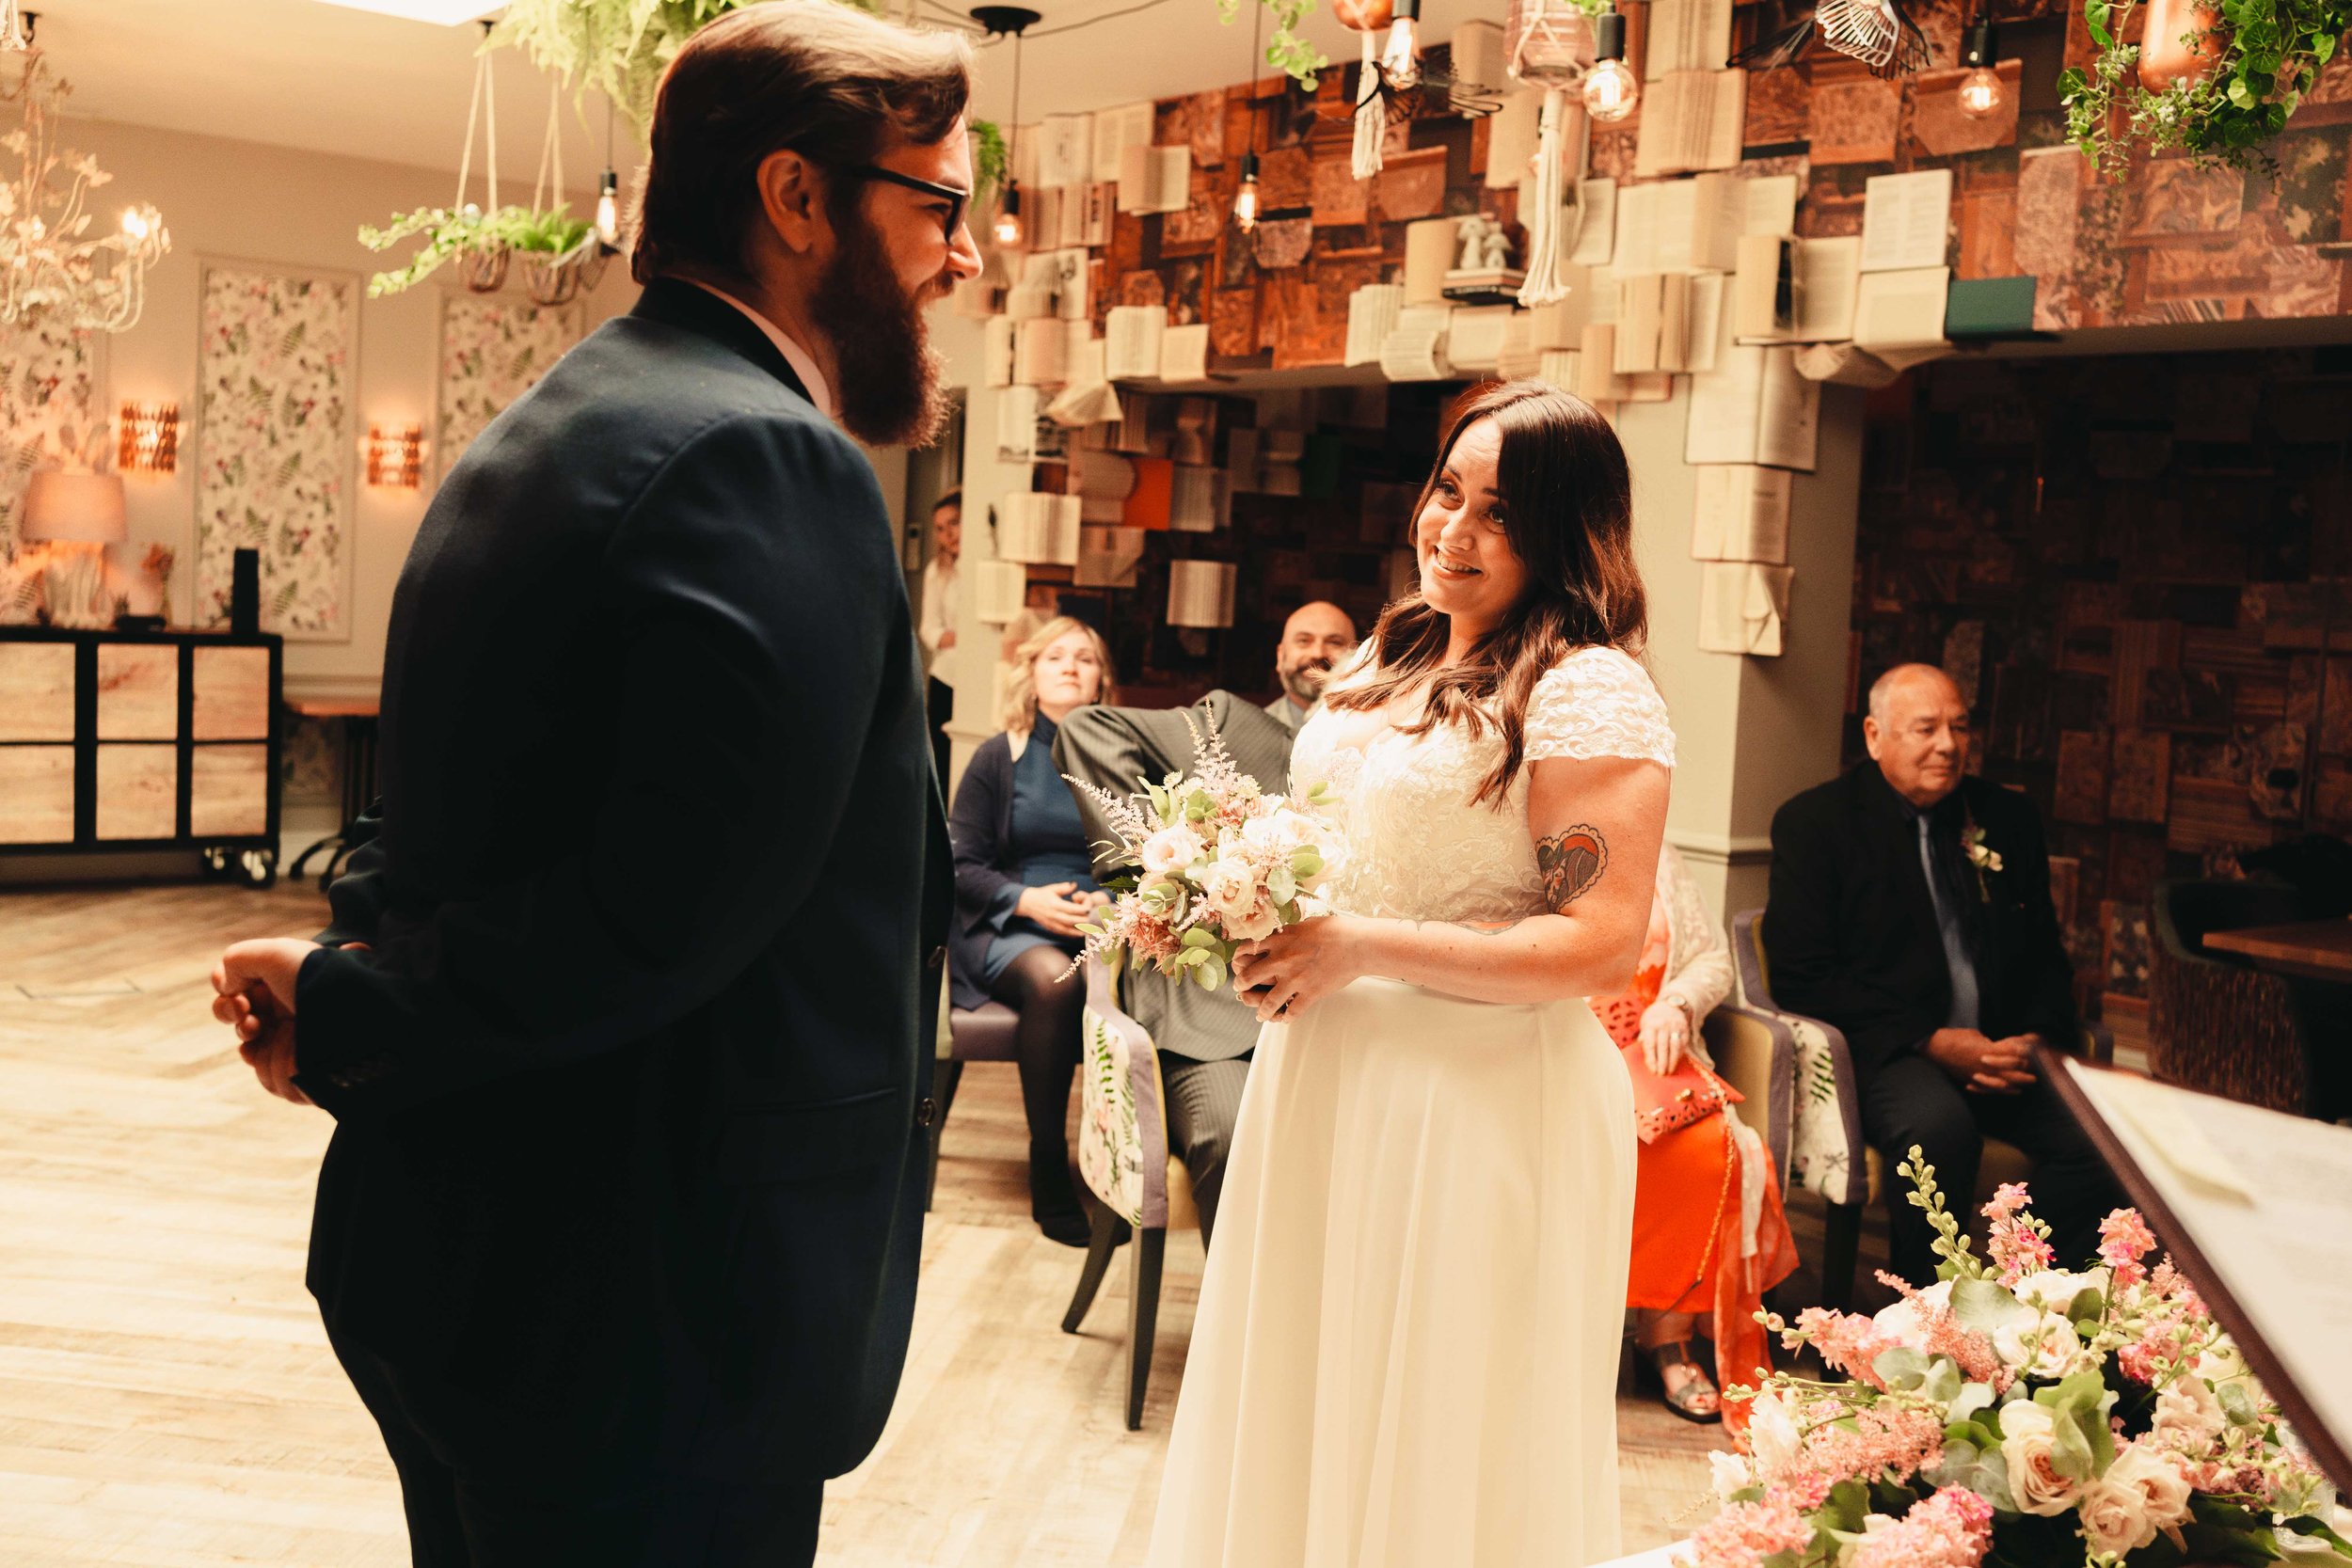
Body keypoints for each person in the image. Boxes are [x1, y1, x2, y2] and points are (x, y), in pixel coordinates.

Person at [205, 8, 980, 1563]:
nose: (968, 259)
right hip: (650, 1317)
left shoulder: (547, 429)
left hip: (484, 1264)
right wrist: (354, 1010)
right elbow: (656, 916)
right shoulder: (767, 461)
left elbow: (451, 823)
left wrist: (354, 973)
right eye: (943, 205)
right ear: (798, 196)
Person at [1148, 381, 1674, 1568]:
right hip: (1330, 1070)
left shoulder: (1585, 686)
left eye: (1501, 511)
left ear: (1569, 532)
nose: (1455, 530)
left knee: (1444, 1411)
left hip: (1475, 1094)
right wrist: (1254, 909)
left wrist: (1359, 946)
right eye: (1448, 491)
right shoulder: (1396, 645)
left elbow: (1600, 942)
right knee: (1309, 1385)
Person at [1765, 662, 2122, 1288]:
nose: (1949, 745)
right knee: (1939, 1129)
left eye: (1959, 727)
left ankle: (2030, 1296)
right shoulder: (1817, 825)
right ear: (1875, 736)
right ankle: (1932, 1325)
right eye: (1926, 728)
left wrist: (2035, 1037)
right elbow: (1804, 975)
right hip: (1892, 1049)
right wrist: (1931, 1040)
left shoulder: (2006, 819)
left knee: (2108, 1137)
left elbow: (2044, 952)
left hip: (2002, 1047)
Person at [1054, 679, 1299, 1243]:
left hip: (1370, 1022)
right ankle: (1248, 1330)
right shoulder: (1242, 728)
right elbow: (1088, 727)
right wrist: (1185, 865)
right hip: (1223, 1028)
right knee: (1234, 1134)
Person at [1588, 844, 1798, 1429]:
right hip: (1557, 1051)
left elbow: (1710, 960)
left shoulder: (1659, 853)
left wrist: (1675, 1006)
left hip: (1655, 1054)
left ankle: (1667, 1337)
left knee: (1709, 1151)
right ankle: (1567, 1342)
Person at [948, 615, 1118, 1245]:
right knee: (1054, 981)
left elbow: (1145, 858)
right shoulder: (1000, 756)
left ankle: (1121, 1174)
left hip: (1100, 923)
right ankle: (1049, 1165)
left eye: (1085, 657)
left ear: (1101, 681)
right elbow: (960, 866)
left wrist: (1107, 903)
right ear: (1032, 673)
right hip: (1008, 926)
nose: (1070, 666)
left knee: (1146, 988)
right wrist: (1027, 901)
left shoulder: (1120, 758)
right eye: (1055, 656)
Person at [1266, 599, 1358, 735]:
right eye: (1304, 640)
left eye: (1334, 642)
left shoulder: (1381, 736)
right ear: (1280, 656)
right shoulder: (1253, 733)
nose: (1318, 653)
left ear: (1356, 657)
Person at [918, 489, 961, 663]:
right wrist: (966, 638)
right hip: (946, 670)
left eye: (954, 523)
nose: (948, 535)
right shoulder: (936, 571)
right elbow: (928, 630)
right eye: (940, 529)